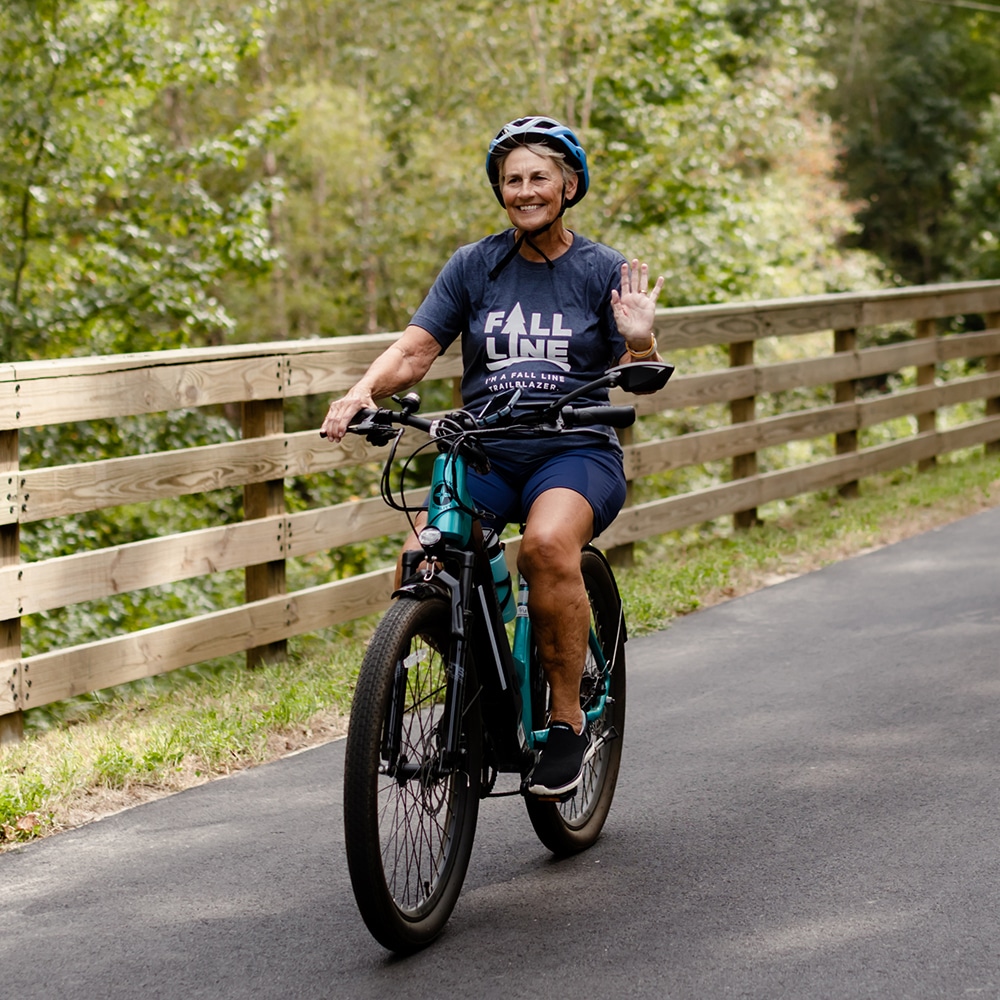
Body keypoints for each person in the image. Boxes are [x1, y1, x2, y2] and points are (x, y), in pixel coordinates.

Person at [322, 115, 664, 798]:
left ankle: (566, 722)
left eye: (540, 177)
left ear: (569, 185)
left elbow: (640, 367)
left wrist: (642, 341)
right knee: (422, 563)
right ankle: (483, 689)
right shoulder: (475, 266)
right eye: (513, 180)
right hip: (486, 447)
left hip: (572, 450)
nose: (526, 190)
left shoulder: (602, 270)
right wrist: (362, 390)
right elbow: (418, 349)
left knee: (543, 547)